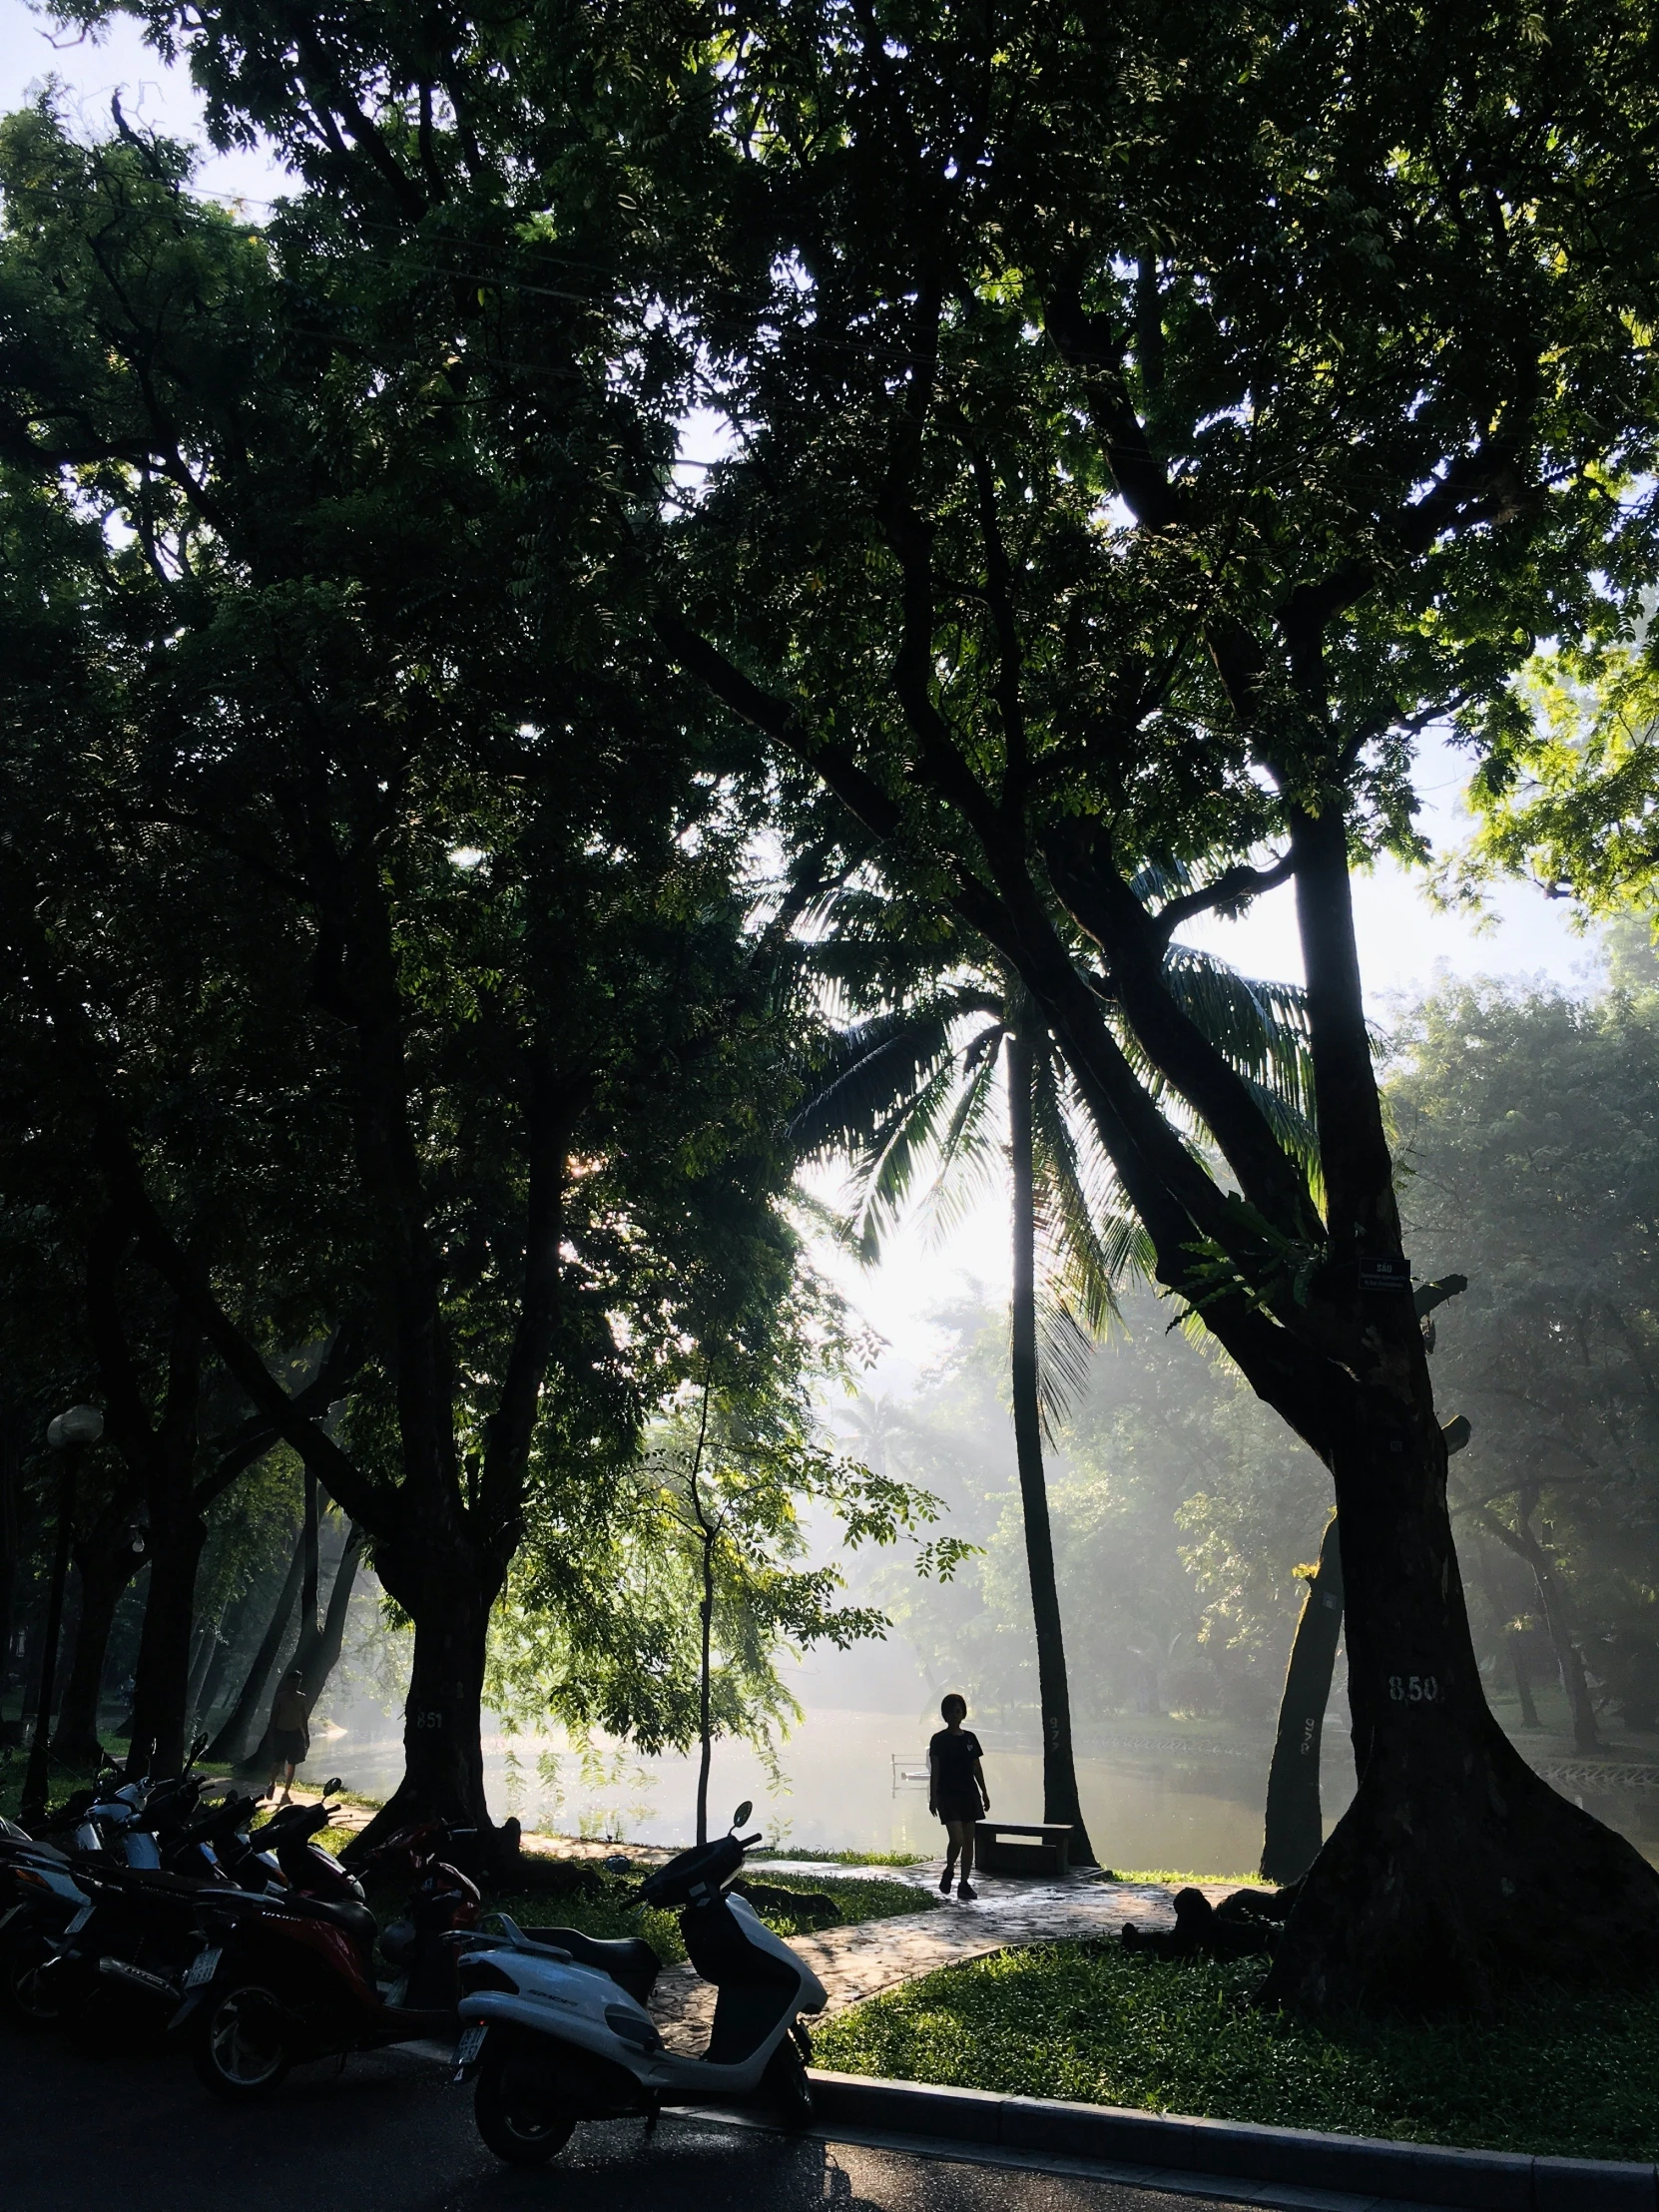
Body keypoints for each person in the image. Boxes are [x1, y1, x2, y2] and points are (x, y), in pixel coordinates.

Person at [928, 1691, 990, 1902]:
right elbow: (935, 1769)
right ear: (945, 1715)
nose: (956, 1715)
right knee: (957, 1838)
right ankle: (949, 1870)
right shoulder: (938, 1740)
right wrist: (933, 1797)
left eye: (959, 1711)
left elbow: (976, 1767)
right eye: (952, 1711)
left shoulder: (970, 1738)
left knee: (969, 1840)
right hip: (947, 1794)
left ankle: (964, 1883)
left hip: (969, 1793)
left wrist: (984, 1791)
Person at [268, 1666, 310, 1803]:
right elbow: (274, 1715)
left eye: (298, 1682)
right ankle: (272, 1783)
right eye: (293, 1682)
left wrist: (306, 1734)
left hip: (295, 1733)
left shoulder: (301, 1698)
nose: (295, 1685)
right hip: (281, 1731)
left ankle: (286, 1793)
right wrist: (272, 1731)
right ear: (288, 1682)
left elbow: (303, 1716)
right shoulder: (281, 1697)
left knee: (293, 1763)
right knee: (278, 1762)